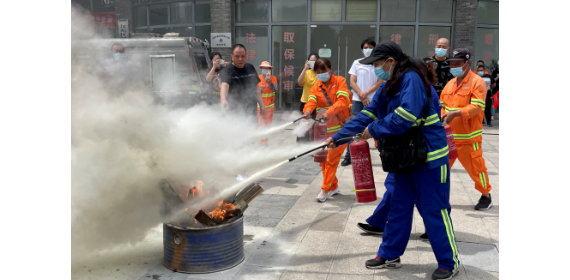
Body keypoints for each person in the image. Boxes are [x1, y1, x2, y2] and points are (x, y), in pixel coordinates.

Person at [326, 41, 458, 280]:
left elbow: (406, 117)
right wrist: (338, 137)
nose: (375, 69)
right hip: (405, 156)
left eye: (377, 64)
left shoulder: (412, 80)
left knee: (433, 211)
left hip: (429, 158)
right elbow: (368, 113)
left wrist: (373, 130)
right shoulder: (389, 84)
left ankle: (449, 262)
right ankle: (390, 254)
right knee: (398, 206)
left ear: (390, 61)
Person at [356, 59, 442, 237]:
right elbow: (374, 112)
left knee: (416, 194)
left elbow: (408, 120)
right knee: (399, 190)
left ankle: (435, 231)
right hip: (405, 150)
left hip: (420, 150)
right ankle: (384, 228)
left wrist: (374, 129)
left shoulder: (420, 88)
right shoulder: (396, 86)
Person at [440, 48, 493, 211]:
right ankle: (436, 196)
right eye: (452, 64)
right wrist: (443, 116)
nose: (453, 66)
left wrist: (456, 113)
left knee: (477, 170)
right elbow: (442, 105)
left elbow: (478, 107)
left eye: (457, 63)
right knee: (439, 171)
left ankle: (486, 196)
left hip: (469, 139)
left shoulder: (477, 82)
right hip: (448, 137)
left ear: (467, 63)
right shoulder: (450, 84)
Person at [302, 58, 351, 202]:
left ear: (330, 69)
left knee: (331, 160)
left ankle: (324, 189)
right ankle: (334, 186)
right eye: (318, 72)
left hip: (341, 129)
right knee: (322, 160)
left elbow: (343, 101)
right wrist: (307, 111)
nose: (321, 74)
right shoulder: (315, 86)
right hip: (322, 130)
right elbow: (311, 101)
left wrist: (328, 113)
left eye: (324, 71)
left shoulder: (340, 81)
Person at [341, 39, 383, 167]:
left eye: (370, 47)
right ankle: (349, 155)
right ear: (362, 49)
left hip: (375, 100)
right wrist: (362, 95)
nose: (368, 49)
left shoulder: (379, 64)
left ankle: (383, 153)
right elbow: (352, 82)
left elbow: (380, 81)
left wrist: (367, 94)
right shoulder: (357, 63)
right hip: (358, 100)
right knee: (354, 127)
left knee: (379, 126)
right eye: (365, 47)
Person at [220, 44, 266, 118]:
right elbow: (224, 85)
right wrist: (223, 100)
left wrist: (262, 104)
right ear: (232, 56)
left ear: (246, 56)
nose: (240, 59)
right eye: (237, 56)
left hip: (251, 111)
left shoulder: (250, 68)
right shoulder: (227, 70)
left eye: (243, 56)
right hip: (235, 111)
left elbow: (256, 88)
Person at [297, 53, 320, 142]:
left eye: (315, 60)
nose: (313, 62)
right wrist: (305, 68)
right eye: (311, 60)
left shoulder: (321, 73)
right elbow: (300, 82)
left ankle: (312, 145)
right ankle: (301, 144)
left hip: (318, 104)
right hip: (306, 103)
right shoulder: (306, 73)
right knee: (303, 125)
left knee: (315, 125)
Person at [257, 61, 279, 145]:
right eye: (264, 68)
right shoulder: (257, 78)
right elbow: (253, 92)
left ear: (270, 69)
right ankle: (263, 143)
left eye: (267, 68)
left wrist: (270, 83)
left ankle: (265, 141)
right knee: (261, 125)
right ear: (261, 69)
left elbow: (276, 89)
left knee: (267, 125)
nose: (265, 70)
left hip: (270, 107)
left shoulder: (273, 78)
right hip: (260, 107)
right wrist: (258, 90)